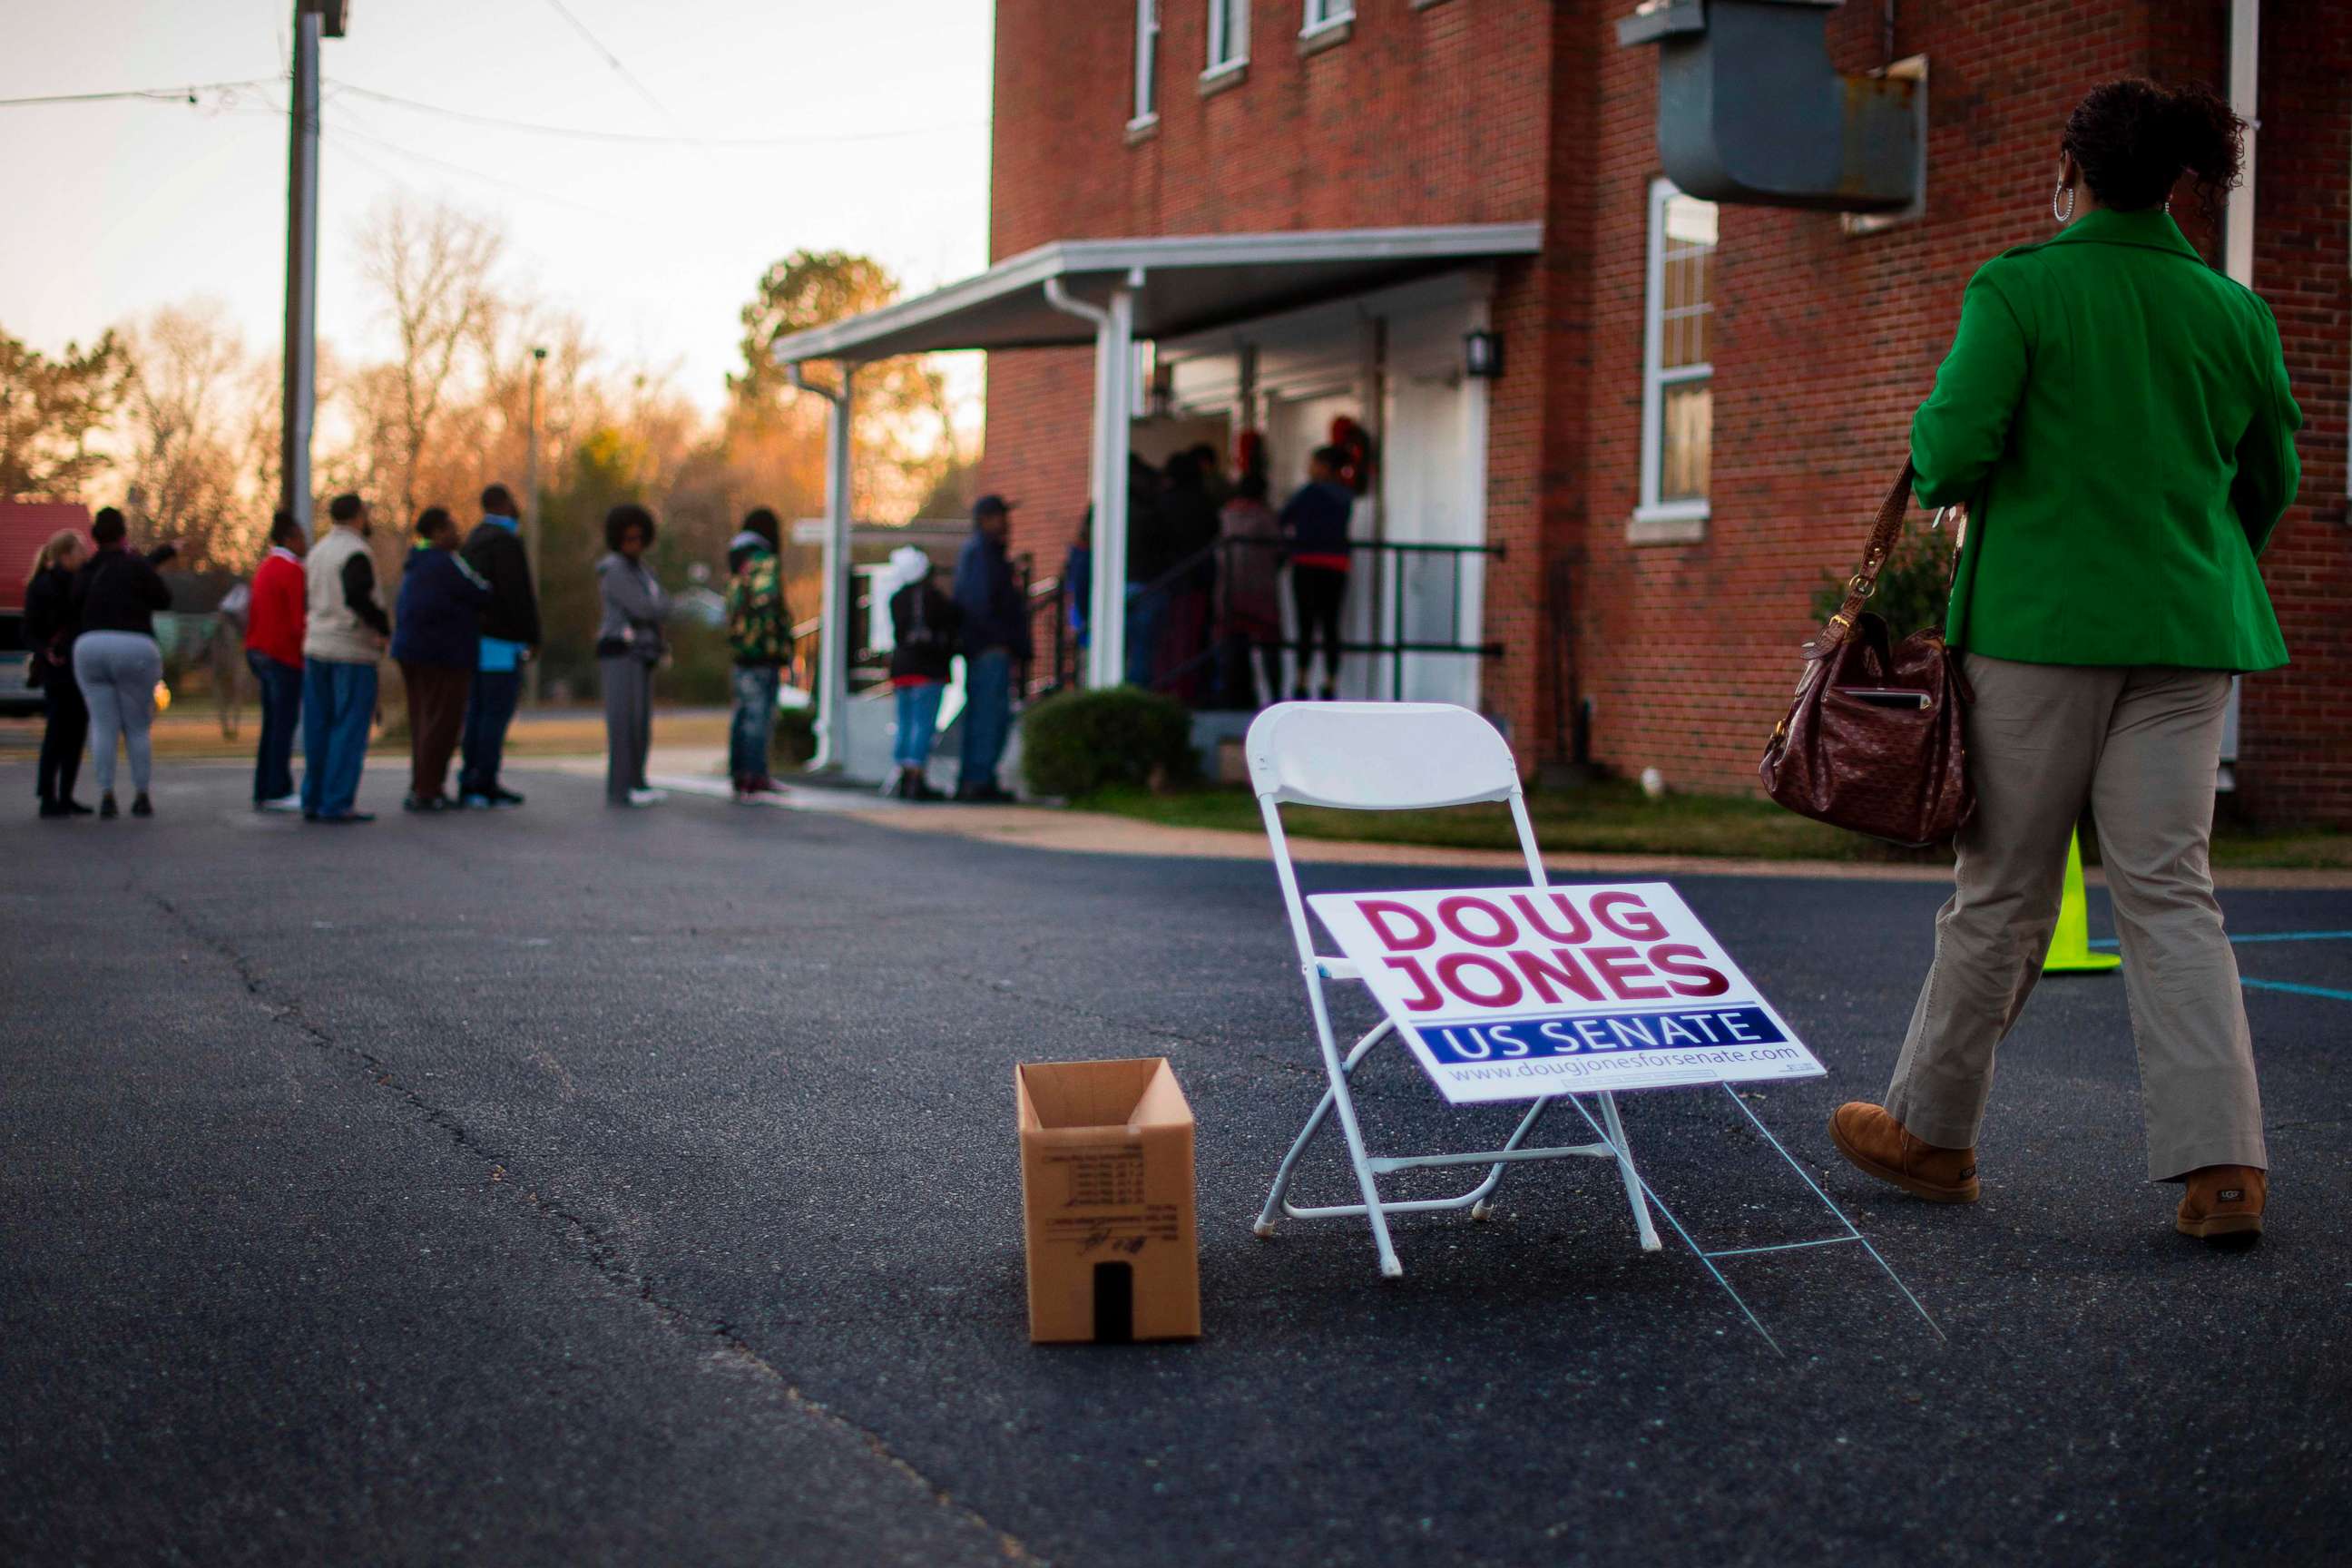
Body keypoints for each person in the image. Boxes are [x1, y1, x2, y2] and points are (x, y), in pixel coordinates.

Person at [1828, 80, 2299, 1248]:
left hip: (2039, 633)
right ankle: (2223, 1169)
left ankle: (1932, 1136)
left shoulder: (2021, 287)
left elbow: (1948, 458)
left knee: (2003, 894)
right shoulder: (2233, 310)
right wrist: (2191, 555)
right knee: (2172, 895)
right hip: (2190, 633)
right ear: (2174, 180)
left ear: (2070, 171)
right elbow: (2269, 481)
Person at [68, 508, 175, 819]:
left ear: (94, 537)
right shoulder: (136, 566)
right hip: (135, 645)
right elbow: (164, 598)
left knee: (102, 725)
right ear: (123, 534)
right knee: (137, 727)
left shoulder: (87, 570)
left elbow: (74, 602)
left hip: (91, 645)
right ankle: (141, 794)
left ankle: (106, 793)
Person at [390, 507, 490, 813]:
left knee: (423, 721)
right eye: (451, 528)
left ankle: (422, 784)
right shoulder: (444, 564)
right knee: (441, 723)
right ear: (436, 532)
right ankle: (428, 789)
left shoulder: (416, 563)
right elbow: (480, 593)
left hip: (412, 652)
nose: (457, 533)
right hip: (442, 655)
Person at [301, 492, 389, 825]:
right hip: (350, 647)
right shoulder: (355, 552)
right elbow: (357, 595)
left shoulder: (318, 551)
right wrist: (382, 626)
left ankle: (313, 797)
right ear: (358, 515)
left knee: (318, 727)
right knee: (349, 727)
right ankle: (337, 801)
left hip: (316, 645)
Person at [457, 484, 540, 810]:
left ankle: (471, 779)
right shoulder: (505, 542)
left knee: (477, 712)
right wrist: (533, 635)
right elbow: (518, 594)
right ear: (505, 504)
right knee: (494, 713)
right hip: (502, 642)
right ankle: (485, 782)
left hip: (475, 641)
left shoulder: (472, 541)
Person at [952, 494, 1029, 802]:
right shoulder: (982, 553)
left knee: (991, 714)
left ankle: (980, 777)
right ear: (984, 519)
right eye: (1000, 516)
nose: (1006, 522)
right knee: (987, 714)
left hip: (987, 645)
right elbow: (980, 603)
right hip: (987, 647)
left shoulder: (986, 552)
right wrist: (1002, 639)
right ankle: (977, 779)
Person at [595, 504, 668, 808]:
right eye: (628, 539)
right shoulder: (614, 569)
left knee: (640, 721)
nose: (634, 544)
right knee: (624, 721)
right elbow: (646, 608)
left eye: (639, 538)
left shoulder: (643, 570)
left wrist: (659, 609)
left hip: (642, 651)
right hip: (620, 651)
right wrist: (658, 609)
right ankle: (622, 786)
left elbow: (663, 603)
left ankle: (637, 781)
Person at [724, 507, 792, 801]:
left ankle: (740, 774)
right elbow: (769, 607)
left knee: (743, 713)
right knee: (759, 715)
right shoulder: (764, 562)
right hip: (762, 651)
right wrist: (781, 644)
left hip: (741, 651)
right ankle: (756, 776)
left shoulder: (736, 562)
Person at [883, 545, 961, 801]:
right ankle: (916, 774)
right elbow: (951, 625)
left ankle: (903, 772)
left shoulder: (896, 599)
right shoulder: (934, 598)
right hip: (928, 670)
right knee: (923, 724)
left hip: (902, 669)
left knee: (905, 723)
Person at [24, 528, 91, 818]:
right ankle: (48, 795)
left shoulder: (79, 582)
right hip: (58, 667)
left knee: (76, 732)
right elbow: (29, 630)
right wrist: (44, 651)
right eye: (79, 551)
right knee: (58, 732)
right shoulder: (44, 586)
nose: (85, 555)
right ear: (65, 556)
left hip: (78, 665)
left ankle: (66, 795)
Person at [1279, 446, 1356, 700]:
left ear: (1324, 466)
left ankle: (1301, 680)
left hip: (1307, 562)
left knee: (1306, 624)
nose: (1309, 469)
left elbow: (1283, 518)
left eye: (1313, 464)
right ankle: (1330, 682)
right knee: (1331, 624)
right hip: (1336, 565)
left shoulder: (1309, 493)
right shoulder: (1346, 496)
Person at [244, 511, 308, 812]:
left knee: (271, 724)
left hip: (259, 651)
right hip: (283, 655)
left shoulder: (265, 567)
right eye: (301, 537)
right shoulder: (292, 570)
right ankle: (278, 788)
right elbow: (297, 622)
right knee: (283, 724)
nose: (305, 543)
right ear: (290, 538)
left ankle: (264, 787)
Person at [1157, 451, 1222, 705]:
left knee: (1170, 640)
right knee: (1195, 637)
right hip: (1199, 580)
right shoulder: (1204, 503)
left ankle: (1171, 689)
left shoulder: (1163, 503)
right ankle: (1192, 689)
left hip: (1171, 580)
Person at [1217, 471, 1283, 709]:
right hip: (1262, 589)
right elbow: (1280, 551)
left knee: (1234, 646)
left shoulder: (1226, 514)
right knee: (1269, 647)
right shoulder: (1267, 517)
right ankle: (1275, 697)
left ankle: (1237, 697)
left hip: (1230, 588)